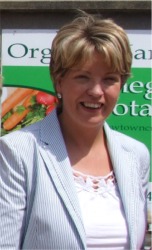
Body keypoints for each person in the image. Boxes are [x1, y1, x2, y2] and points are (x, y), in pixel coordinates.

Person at [0, 11, 150, 250]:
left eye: (109, 79)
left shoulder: (135, 154)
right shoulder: (18, 152)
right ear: (59, 81)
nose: (96, 91)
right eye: (83, 77)